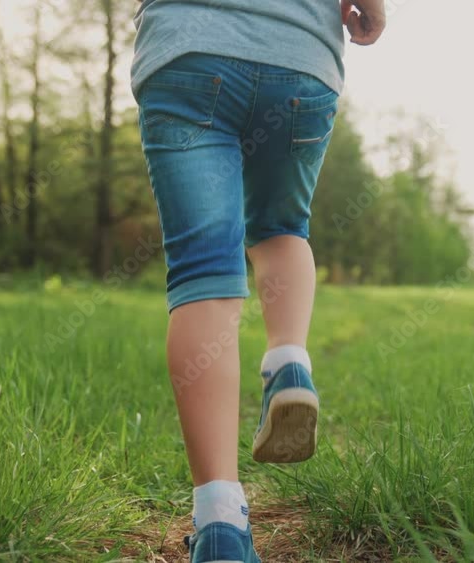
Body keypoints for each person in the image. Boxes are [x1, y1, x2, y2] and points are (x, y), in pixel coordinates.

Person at [130, 0, 385, 561]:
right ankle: (289, 363)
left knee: (203, 269)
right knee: (281, 229)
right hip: (298, 56)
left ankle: (219, 523)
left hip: (188, 50)